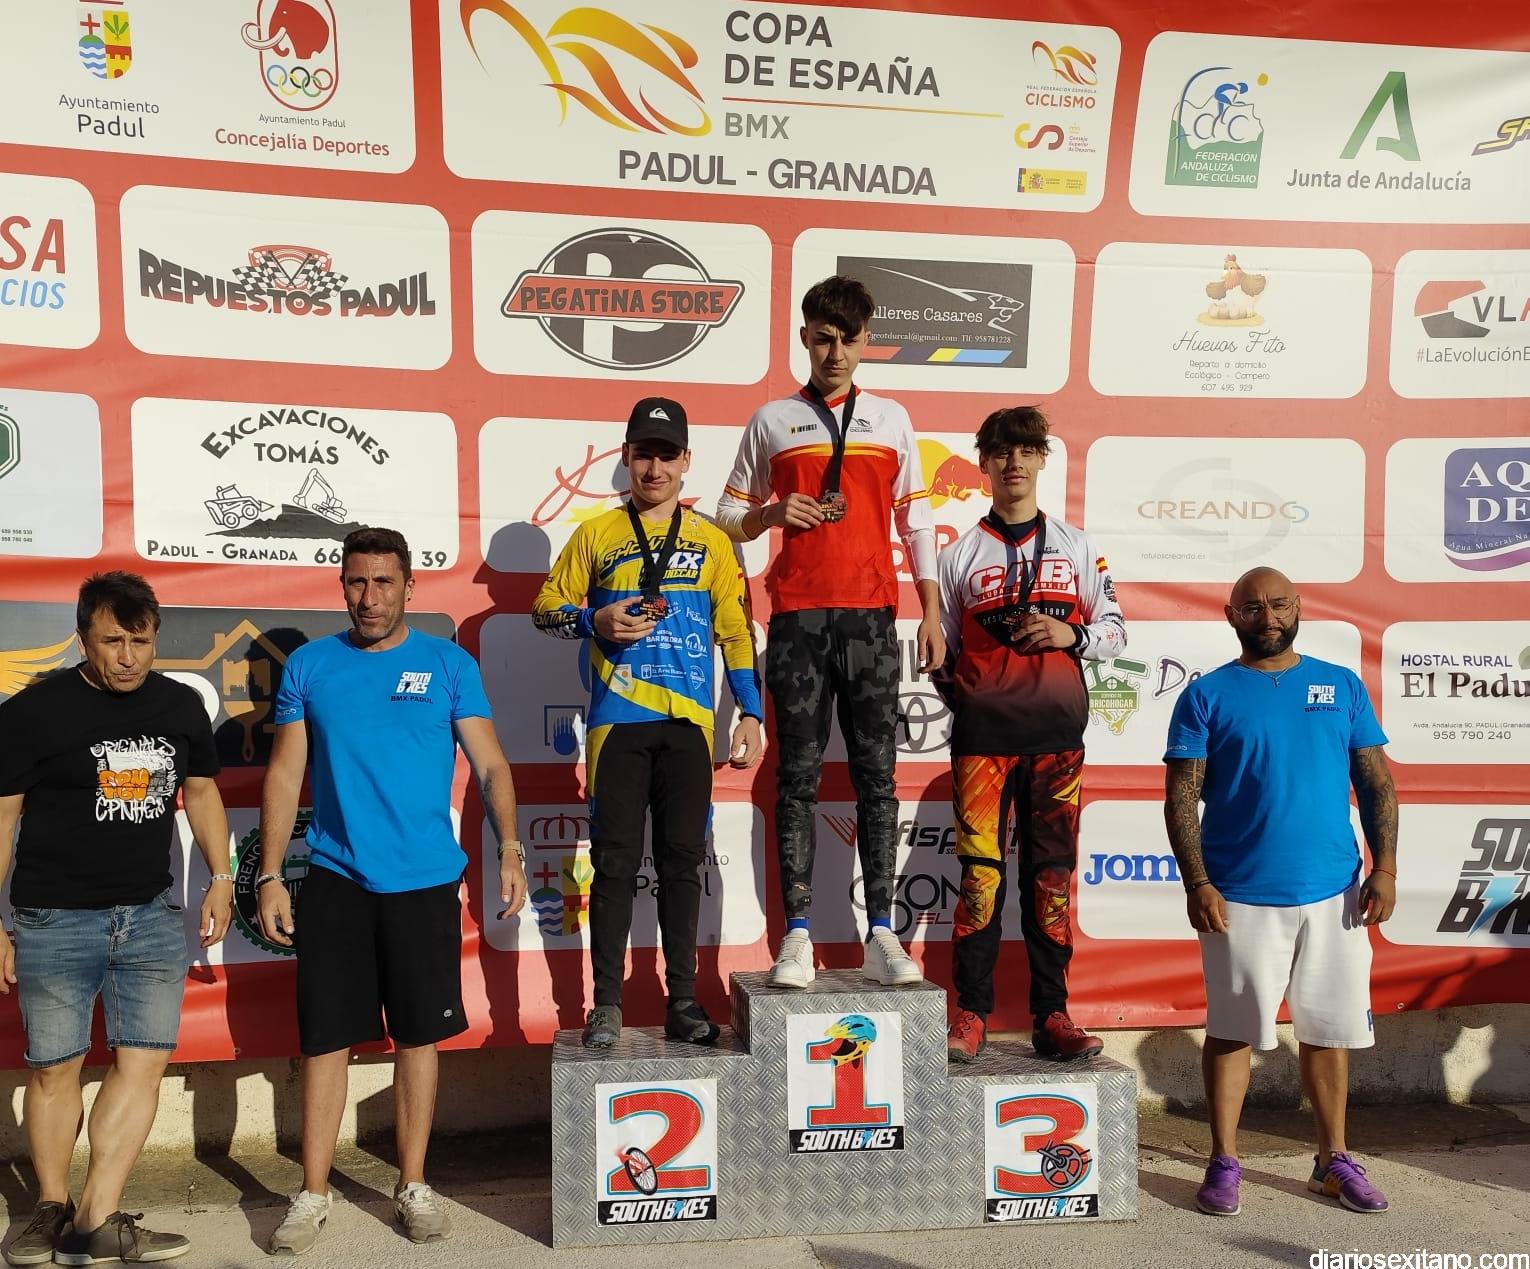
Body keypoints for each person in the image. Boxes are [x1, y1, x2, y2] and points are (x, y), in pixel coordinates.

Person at [257, 527, 527, 1253]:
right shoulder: (309, 666)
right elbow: (285, 773)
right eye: (357, 582)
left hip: (424, 881)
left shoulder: (448, 663)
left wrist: (509, 845)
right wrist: (270, 871)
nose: (369, 597)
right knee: (325, 1040)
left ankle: (412, 1184)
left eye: (383, 582)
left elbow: (492, 765)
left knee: (417, 1035)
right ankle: (313, 1193)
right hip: (336, 879)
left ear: (410, 586)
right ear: (341, 585)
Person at [715, 275, 942, 989]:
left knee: (878, 778)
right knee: (797, 780)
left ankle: (882, 933)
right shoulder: (772, 419)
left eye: (847, 340)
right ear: (805, 339)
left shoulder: (892, 418)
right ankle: (798, 936)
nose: (834, 353)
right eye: (822, 339)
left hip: (871, 617)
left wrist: (932, 610)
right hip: (798, 620)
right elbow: (727, 515)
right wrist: (771, 514)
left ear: (867, 341)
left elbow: (917, 521)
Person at [0, 572, 232, 1267]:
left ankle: (97, 1217)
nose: (128, 657)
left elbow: (202, 793)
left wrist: (222, 877)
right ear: (83, 639)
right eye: (112, 641)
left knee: (144, 1063)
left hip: (151, 916)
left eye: (140, 641)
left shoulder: (181, 705)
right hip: (54, 918)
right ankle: (49, 1208)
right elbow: (3, 818)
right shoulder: (32, 712)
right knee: (54, 1070)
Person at [1164, 566, 1397, 1218]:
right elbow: (1181, 796)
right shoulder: (1206, 695)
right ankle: (1223, 1160)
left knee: (1329, 1031)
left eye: (1279, 604)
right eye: (1252, 606)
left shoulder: (1341, 684)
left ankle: (1332, 1160)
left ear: (1298, 607)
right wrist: (1197, 881)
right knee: (1232, 1031)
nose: (1267, 616)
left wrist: (1385, 867)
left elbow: (1376, 781)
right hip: (1237, 894)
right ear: (1231, 614)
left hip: (1335, 893)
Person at [533, 397, 764, 1049]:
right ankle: (605, 1003)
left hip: (688, 726)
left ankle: (682, 1001)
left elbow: (735, 633)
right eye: (643, 454)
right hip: (617, 723)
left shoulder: (712, 541)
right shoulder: (597, 534)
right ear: (627, 458)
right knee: (612, 865)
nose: (654, 468)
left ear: (686, 461)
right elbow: (545, 608)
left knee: (682, 865)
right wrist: (593, 619)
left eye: (666, 455)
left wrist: (751, 711)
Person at [934, 408, 1126, 1064]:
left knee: (1050, 879)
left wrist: (1071, 633)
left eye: (1025, 450)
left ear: (1043, 458)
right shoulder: (958, 554)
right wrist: (982, 699)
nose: (1013, 462)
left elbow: (1116, 630)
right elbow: (944, 655)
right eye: (1000, 451)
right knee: (980, 878)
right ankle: (970, 1013)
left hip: (1056, 740)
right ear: (983, 463)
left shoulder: (1077, 546)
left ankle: (1052, 1014)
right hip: (982, 744)